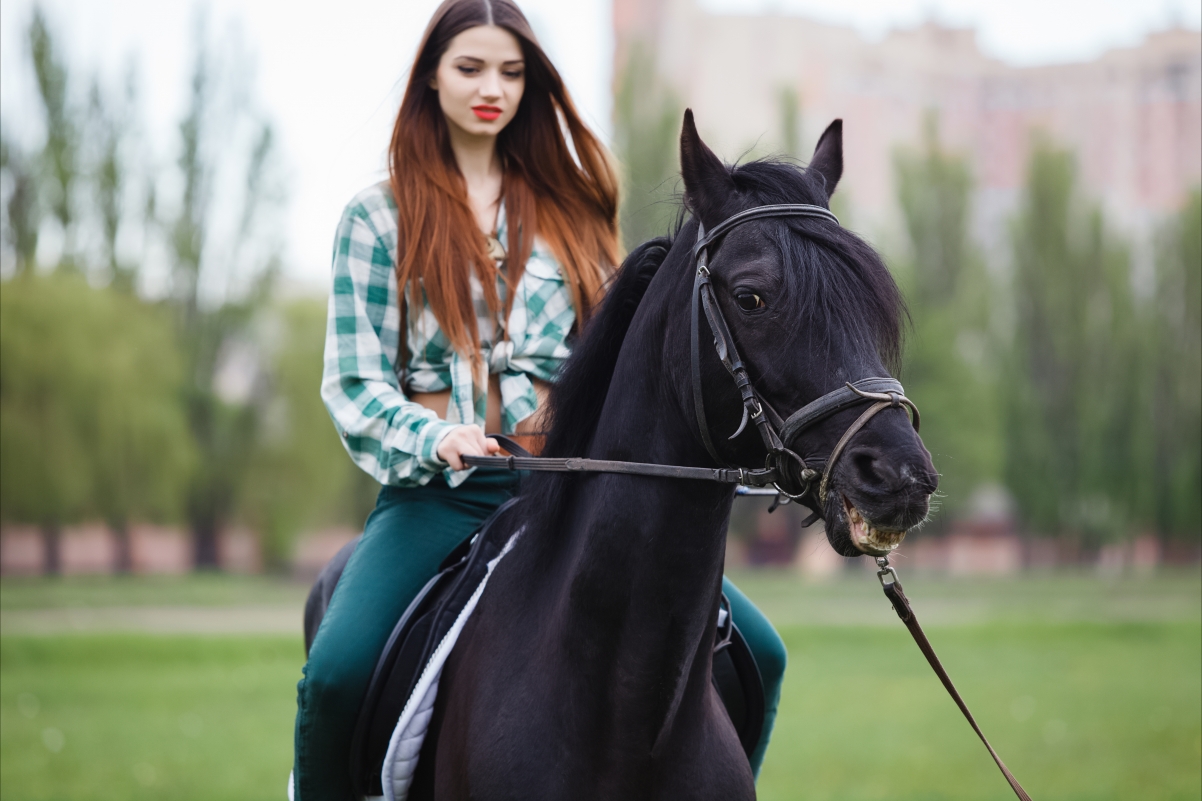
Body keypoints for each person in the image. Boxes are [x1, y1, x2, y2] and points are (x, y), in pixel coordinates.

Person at [294, 1, 785, 797]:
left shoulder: (576, 211)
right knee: (338, 673)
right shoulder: (375, 219)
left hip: (570, 495)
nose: (493, 87)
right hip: (438, 497)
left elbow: (628, 363)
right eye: (471, 67)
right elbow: (353, 385)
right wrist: (434, 437)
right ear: (430, 77)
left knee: (762, 650)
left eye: (512, 72)